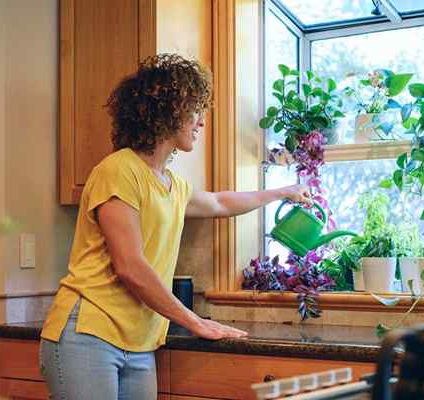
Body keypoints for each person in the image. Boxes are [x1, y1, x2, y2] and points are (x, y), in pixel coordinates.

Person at [39, 53, 312, 400]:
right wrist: (194, 321)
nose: (201, 122)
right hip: (87, 334)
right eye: (195, 109)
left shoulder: (171, 184)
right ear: (166, 110)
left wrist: (282, 191)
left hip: (138, 342)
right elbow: (130, 266)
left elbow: (220, 202)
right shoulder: (119, 170)